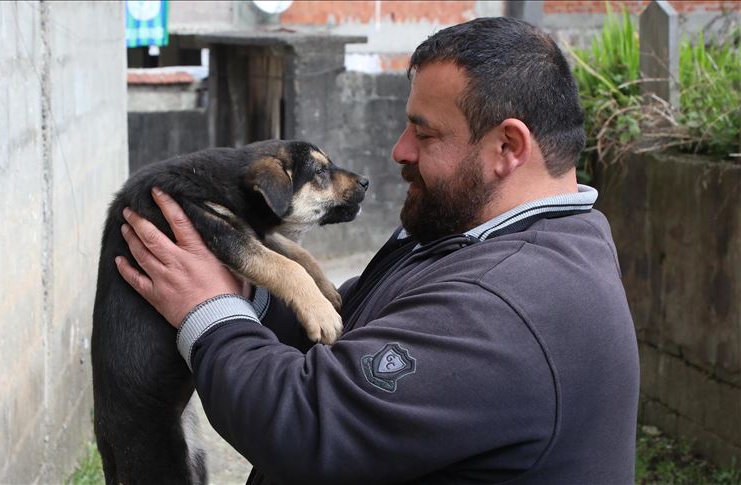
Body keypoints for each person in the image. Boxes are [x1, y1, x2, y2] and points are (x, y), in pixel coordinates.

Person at [116, 17, 640, 485]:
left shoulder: (513, 303)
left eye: (424, 133)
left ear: (507, 147)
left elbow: (308, 426)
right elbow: (348, 333)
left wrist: (209, 312)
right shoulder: (474, 236)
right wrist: (245, 289)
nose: (399, 151)